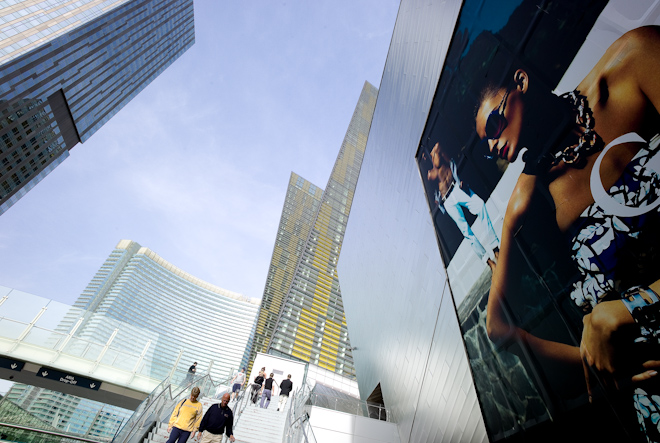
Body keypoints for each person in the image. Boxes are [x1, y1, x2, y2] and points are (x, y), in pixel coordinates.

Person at [474, 25, 660, 441]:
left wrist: (629, 307)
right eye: (486, 145)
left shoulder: (632, 63)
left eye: (493, 126)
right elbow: (498, 327)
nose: (493, 145)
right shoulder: (527, 201)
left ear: (520, 82)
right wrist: (593, 356)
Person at [423, 142, 499, 271]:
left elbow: (453, 161)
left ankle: (496, 249)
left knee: (480, 205)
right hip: (447, 201)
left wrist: (460, 179)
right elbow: (434, 194)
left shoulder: (437, 149)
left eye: (424, 155)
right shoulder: (429, 175)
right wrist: (438, 203)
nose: (424, 158)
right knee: (466, 231)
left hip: (457, 188)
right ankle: (489, 262)